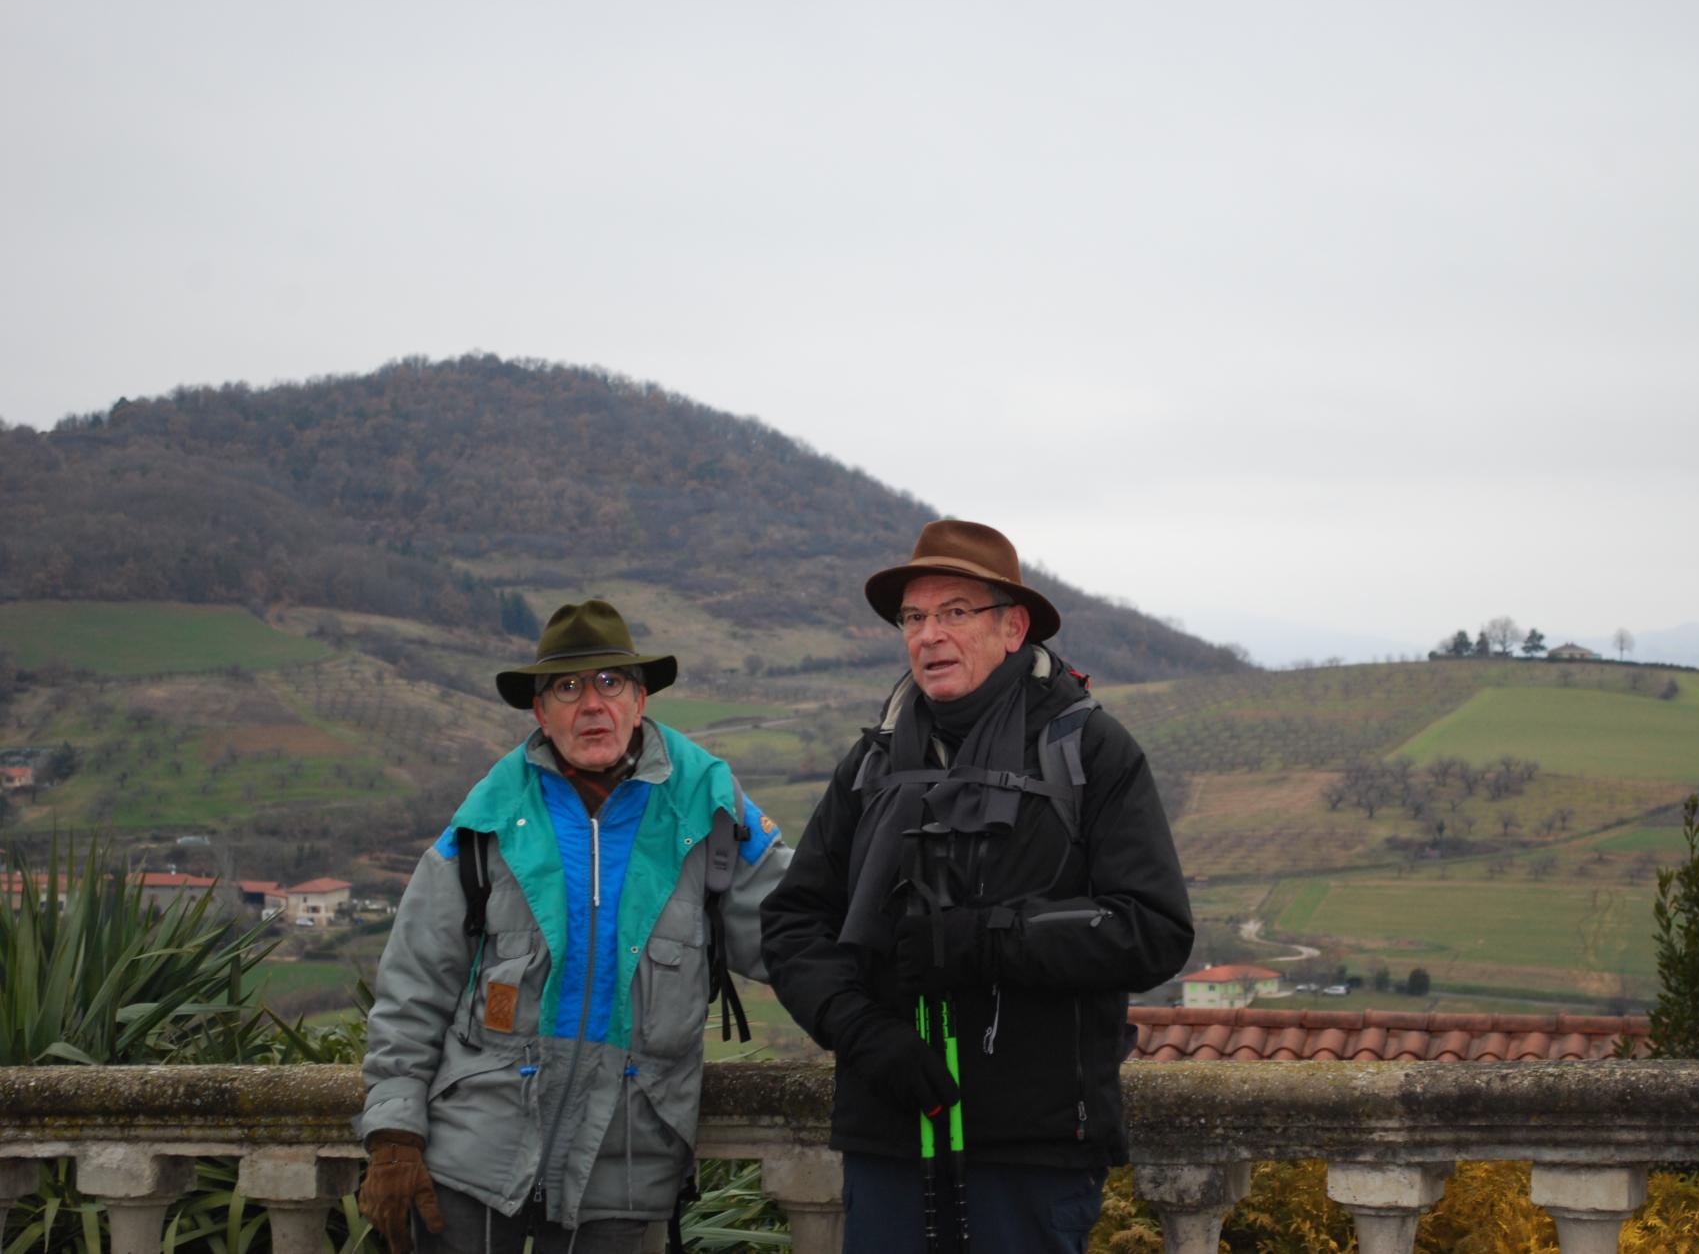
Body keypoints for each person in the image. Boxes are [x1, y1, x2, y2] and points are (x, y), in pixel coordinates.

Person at [761, 520, 1194, 1252]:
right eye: (915, 617)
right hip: (888, 1138)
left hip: (1033, 1153)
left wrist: (987, 939)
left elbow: (1152, 926)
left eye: (955, 612)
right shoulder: (871, 761)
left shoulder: (1088, 749)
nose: (930, 635)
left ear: (1013, 626)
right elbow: (794, 922)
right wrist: (864, 1033)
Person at [356, 600, 790, 1252]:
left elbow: (800, 935)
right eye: (569, 686)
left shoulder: (710, 807)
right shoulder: (488, 818)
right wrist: (393, 1133)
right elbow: (412, 987)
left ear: (641, 699)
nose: (593, 704)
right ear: (541, 711)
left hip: (621, 1174)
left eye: (611, 682)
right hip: (471, 1170)